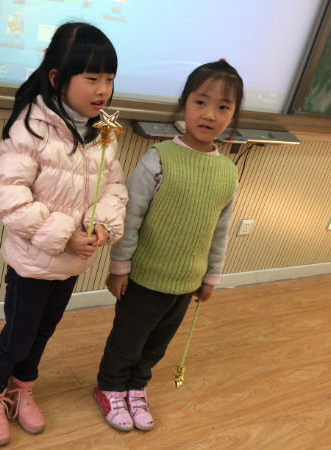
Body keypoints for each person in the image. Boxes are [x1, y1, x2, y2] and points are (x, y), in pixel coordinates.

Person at [0, 22, 128, 446]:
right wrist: (65, 235)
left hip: (71, 263)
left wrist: (102, 223)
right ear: (58, 78)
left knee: (43, 333)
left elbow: (113, 187)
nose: (103, 90)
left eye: (109, 78)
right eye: (92, 78)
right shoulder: (32, 126)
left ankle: (22, 388)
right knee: (18, 336)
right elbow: (9, 198)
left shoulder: (104, 131)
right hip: (32, 262)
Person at [93, 60, 243, 432]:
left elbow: (220, 230)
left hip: (187, 281)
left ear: (233, 115)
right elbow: (130, 218)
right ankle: (110, 386)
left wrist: (211, 276)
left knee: (158, 343)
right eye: (201, 102)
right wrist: (119, 268)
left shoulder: (228, 172)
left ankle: (136, 386)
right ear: (183, 103)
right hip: (145, 278)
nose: (210, 114)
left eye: (223, 107)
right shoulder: (158, 158)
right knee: (129, 338)